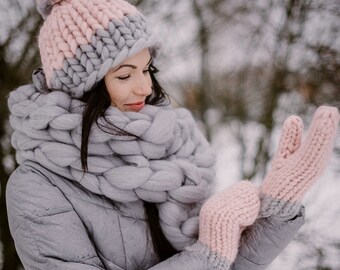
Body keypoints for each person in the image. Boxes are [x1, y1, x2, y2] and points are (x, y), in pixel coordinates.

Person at [6, 0, 339, 269]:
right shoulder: (37, 187)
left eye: (147, 68)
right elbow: (212, 260)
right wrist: (206, 255)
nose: (146, 86)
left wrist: (276, 205)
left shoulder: (174, 147)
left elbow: (231, 266)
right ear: (83, 87)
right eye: (125, 75)